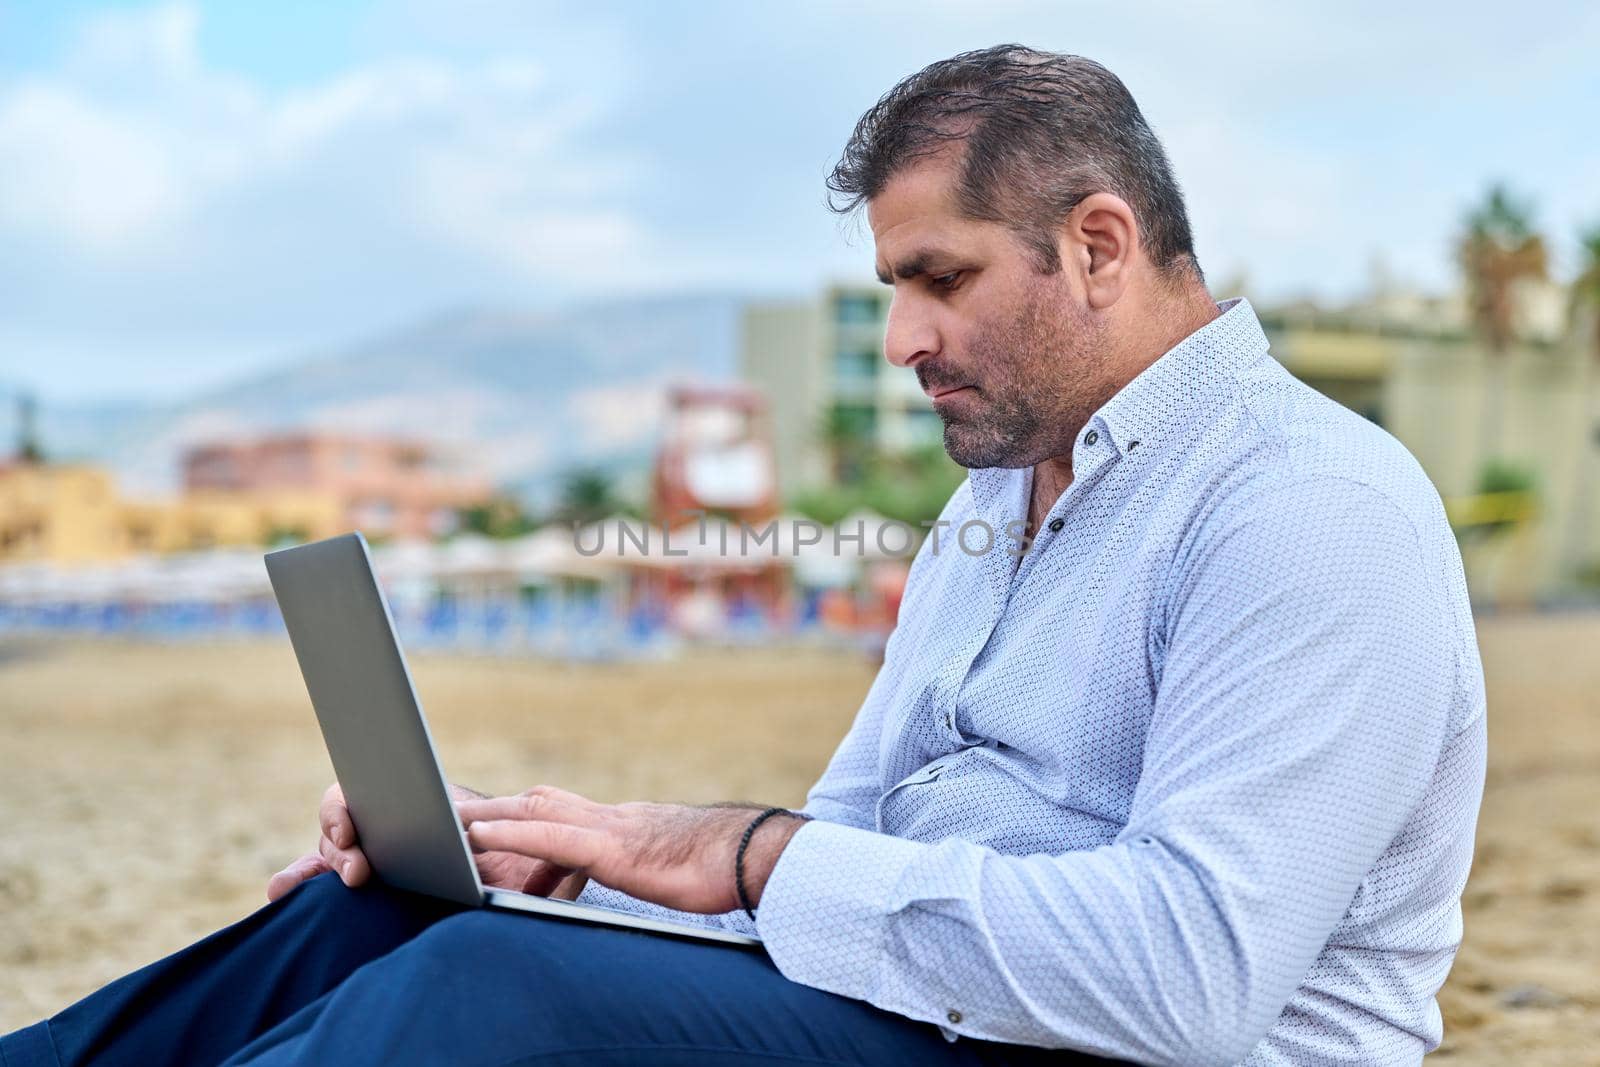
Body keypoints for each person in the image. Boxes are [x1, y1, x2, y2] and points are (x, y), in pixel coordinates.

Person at [1, 44, 1484, 1067]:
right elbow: (845, 848)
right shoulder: (997, 502)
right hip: (938, 1020)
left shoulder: (1306, 506)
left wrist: (745, 856)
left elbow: (1196, 978)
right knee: (383, 921)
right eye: (894, 291)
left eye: (939, 282)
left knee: (482, 990)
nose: (905, 341)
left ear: (1099, 246)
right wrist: (581, 862)